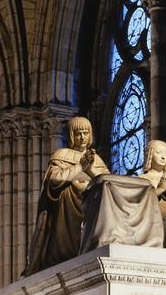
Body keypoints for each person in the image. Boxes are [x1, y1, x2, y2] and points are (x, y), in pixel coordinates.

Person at [24, 116, 109, 274]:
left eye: (86, 133)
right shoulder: (61, 154)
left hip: (91, 207)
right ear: (71, 135)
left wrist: (90, 171)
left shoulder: (96, 159)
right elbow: (55, 180)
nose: (82, 137)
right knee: (71, 188)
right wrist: (79, 168)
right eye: (78, 134)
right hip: (68, 209)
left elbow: (107, 182)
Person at [141, 139, 166, 221]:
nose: (163, 157)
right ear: (150, 155)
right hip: (150, 220)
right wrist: (161, 189)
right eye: (158, 152)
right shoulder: (142, 179)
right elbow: (140, 201)